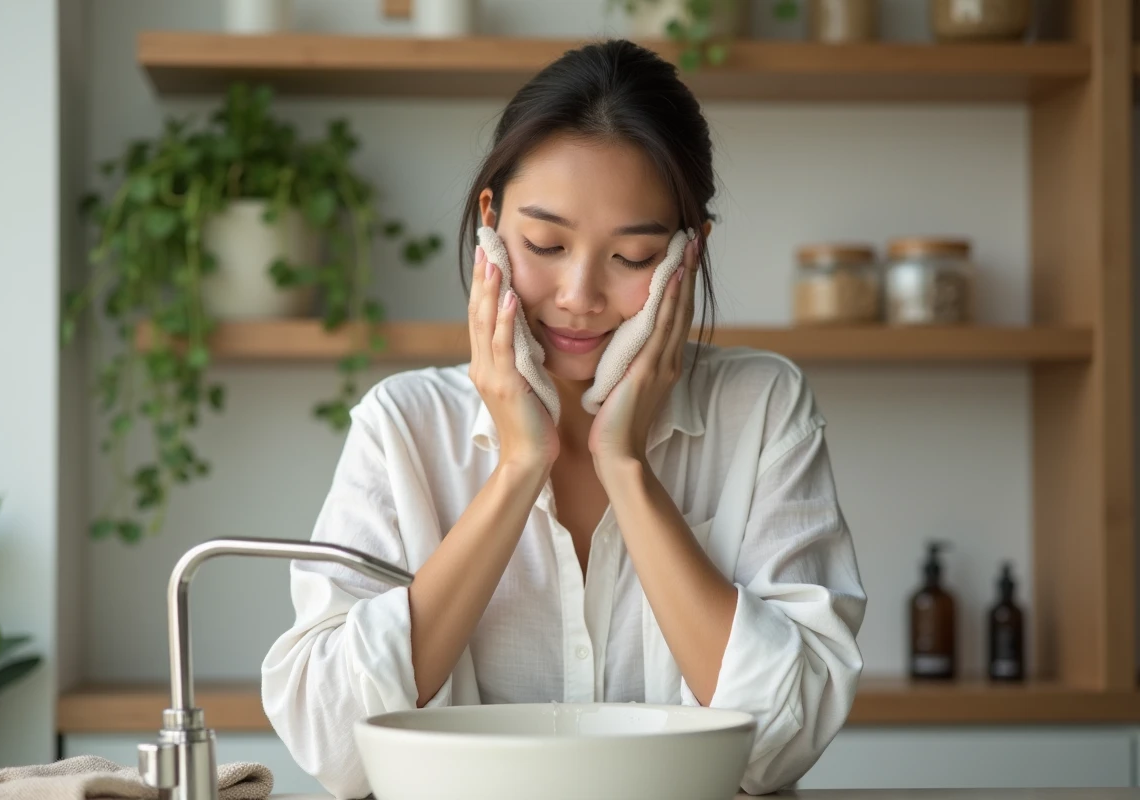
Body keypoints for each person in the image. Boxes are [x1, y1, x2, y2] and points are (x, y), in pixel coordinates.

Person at [261, 38, 866, 798]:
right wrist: (518, 468)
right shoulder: (403, 427)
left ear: (689, 250)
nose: (579, 295)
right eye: (545, 243)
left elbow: (784, 740)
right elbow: (335, 748)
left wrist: (628, 469)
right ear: (490, 224)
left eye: (634, 257)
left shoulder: (762, 408)